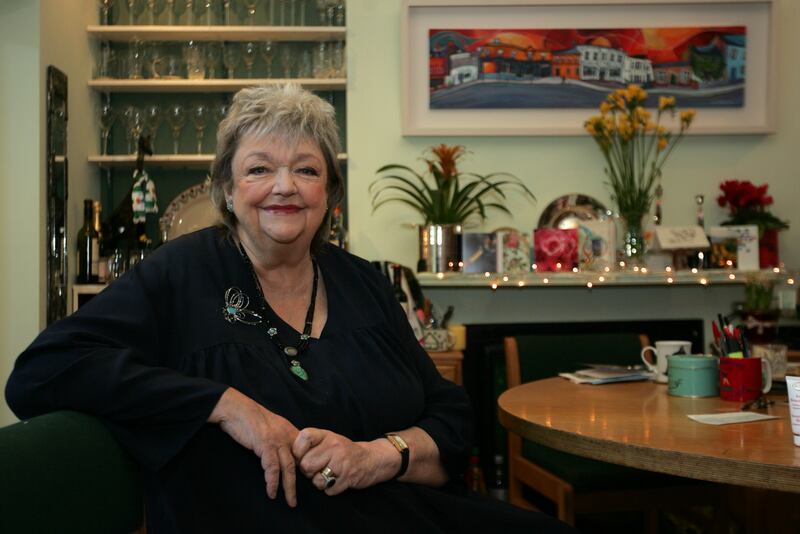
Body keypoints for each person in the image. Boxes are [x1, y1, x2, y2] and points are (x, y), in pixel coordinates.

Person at [5, 84, 575, 533]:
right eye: (259, 169)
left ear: (330, 193)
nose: (285, 186)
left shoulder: (362, 281)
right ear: (227, 190)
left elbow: (450, 416)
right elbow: (42, 371)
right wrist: (224, 405)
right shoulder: (179, 273)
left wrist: (377, 456)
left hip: (403, 514)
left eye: (306, 169)